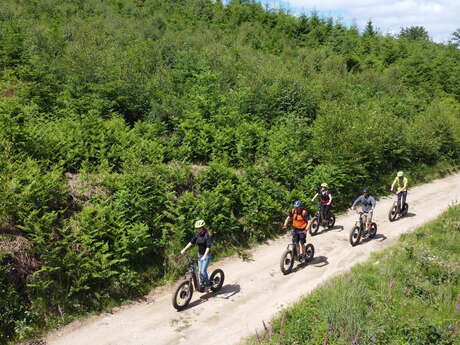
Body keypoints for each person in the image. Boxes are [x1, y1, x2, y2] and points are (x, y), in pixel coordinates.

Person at [181, 220, 212, 291]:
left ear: (203, 227)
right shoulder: (197, 234)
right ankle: (202, 283)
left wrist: (204, 256)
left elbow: (208, 247)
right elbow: (191, 242)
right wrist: (184, 249)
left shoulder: (207, 235)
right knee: (200, 271)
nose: (197, 229)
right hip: (200, 255)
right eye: (197, 228)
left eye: (199, 228)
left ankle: (208, 284)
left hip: (206, 255)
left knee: (203, 271)